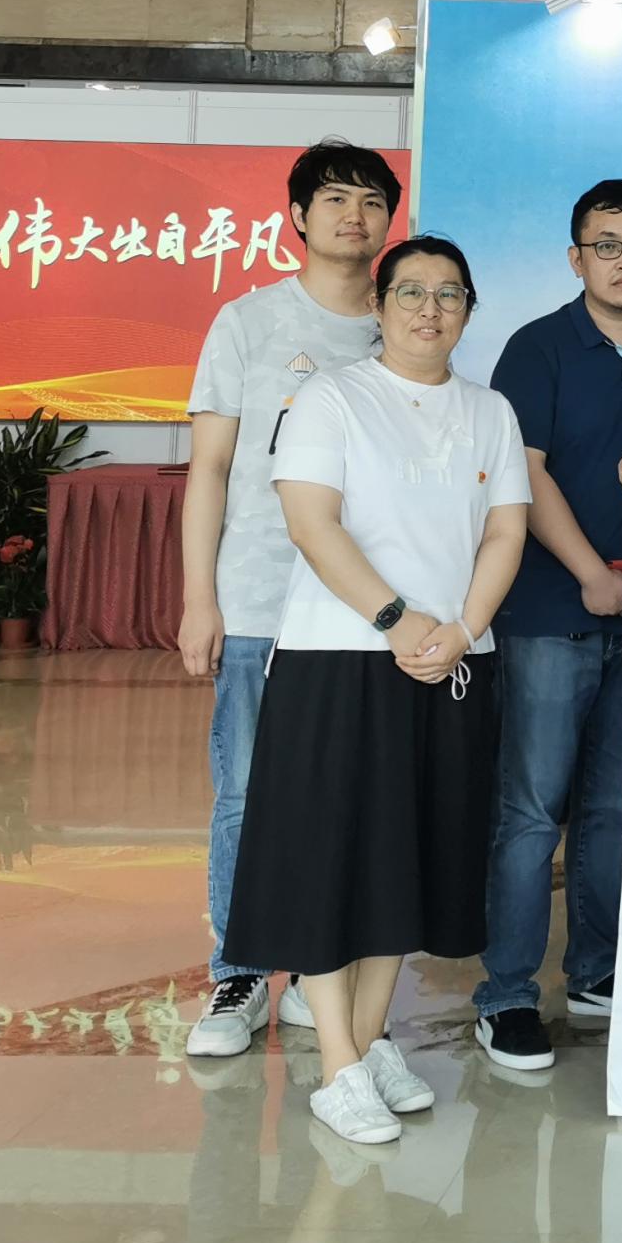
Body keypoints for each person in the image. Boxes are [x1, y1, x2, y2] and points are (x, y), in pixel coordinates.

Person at [224, 233, 531, 1147]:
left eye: (449, 294)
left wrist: (461, 631)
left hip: (449, 660)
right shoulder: (332, 398)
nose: (430, 310)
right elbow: (312, 523)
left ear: (469, 310)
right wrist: (397, 621)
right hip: (340, 657)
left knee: (405, 856)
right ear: (378, 304)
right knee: (328, 858)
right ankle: (337, 1065)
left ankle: (366, 1043)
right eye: (410, 292)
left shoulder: (489, 411)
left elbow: (505, 532)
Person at [178, 139, 397, 1061]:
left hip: (371, 611)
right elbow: (210, 468)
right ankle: (238, 970)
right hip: (262, 597)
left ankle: (318, 970)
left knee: (347, 793)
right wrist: (201, 598)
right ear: (299, 217)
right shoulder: (250, 322)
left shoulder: (403, 324)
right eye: (335, 198)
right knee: (246, 792)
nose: (354, 214)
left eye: (372, 201)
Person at [471, 180, 622, 1077]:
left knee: (617, 806)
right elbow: (525, 473)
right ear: (576, 258)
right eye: (607, 245)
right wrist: (593, 574)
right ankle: (507, 993)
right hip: (549, 614)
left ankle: (597, 973)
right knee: (532, 811)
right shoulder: (537, 347)